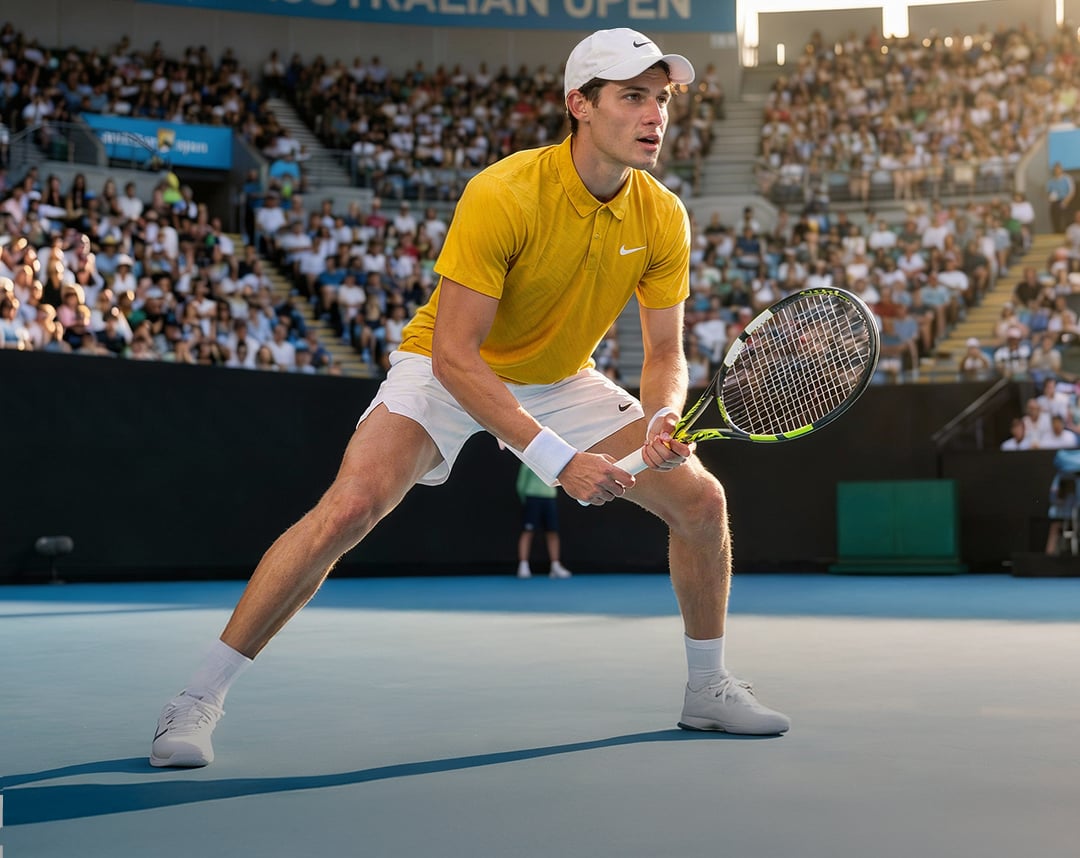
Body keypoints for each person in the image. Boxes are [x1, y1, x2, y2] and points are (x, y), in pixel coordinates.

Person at [149, 28, 790, 771]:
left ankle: (707, 689)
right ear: (580, 105)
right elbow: (456, 356)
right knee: (350, 507)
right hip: (447, 367)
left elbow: (663, 355)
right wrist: (559, 461)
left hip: (561, 377)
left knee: (703, 503)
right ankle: (195, 699)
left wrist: (661, 416)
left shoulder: (663, 215)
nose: (655, 115)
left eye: (662, 99)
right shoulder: (503, 193)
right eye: (632, 97)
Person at [514, 461, 572, 580]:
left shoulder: (554, 460)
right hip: (532, 498)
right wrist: (525, 499)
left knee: (552, 531)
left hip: (550, 498)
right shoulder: (527, 460)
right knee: (528, 531)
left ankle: (555, 566)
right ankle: (523, 566)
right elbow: (521, 483)